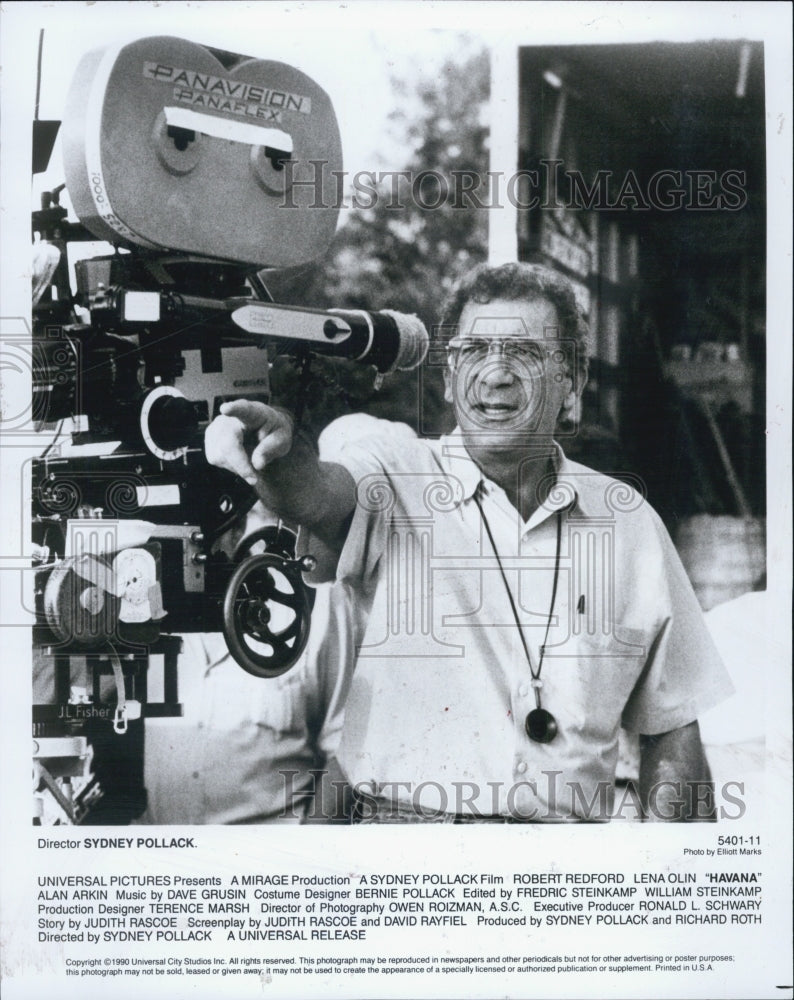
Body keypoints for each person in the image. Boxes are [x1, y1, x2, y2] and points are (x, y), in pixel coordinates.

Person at [205, 262, 734, 823]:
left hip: (562, 874)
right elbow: (316, 493)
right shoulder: (397, 471)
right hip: (404, 853)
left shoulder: (628, 523)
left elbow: (672, 725)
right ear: (451, 375)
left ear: (572, 383)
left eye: (526, 353)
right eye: (474, 351)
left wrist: (678, 873)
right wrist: (277, 452)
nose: (495, 373)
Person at [137, 505, 353, 825]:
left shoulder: (317, 604)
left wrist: (303, 856)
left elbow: (348, 751)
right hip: (166, 859)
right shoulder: (145, 604)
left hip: (265, 863)